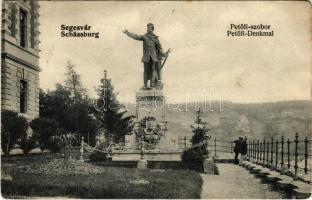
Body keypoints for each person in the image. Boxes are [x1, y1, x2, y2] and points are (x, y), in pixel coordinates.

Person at [123, 23, 166, 89]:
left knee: (153, 69)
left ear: (152, 29)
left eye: (149, 27)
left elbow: (159, 48)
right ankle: (145, 85)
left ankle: (152, 84)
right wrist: (128, 33)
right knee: (145, 71)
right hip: (146, 57)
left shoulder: (155, 38)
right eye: (147, 27)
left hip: (153, 57)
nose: (148, 28)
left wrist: (164, 54)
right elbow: (136, 37)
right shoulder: (144, 37)